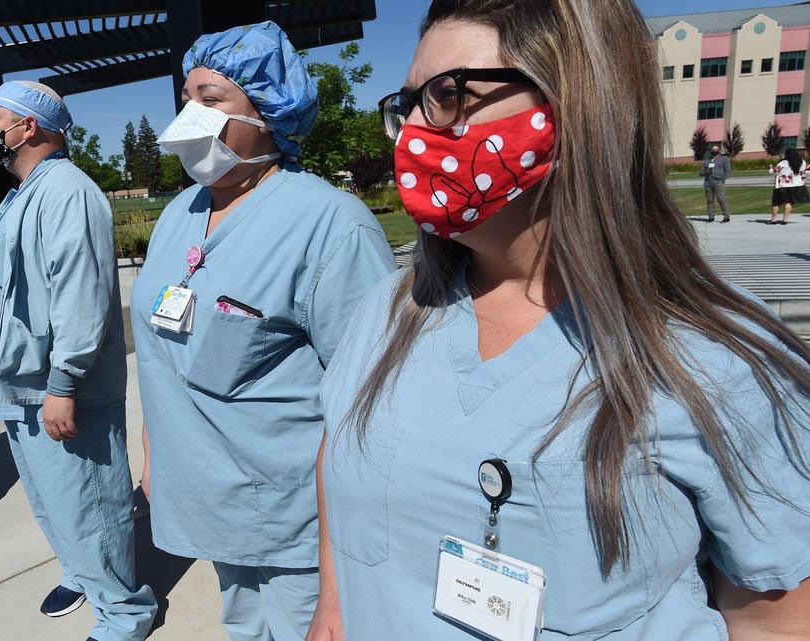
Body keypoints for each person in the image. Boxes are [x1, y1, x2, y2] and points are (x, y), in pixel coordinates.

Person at [312, 2, 810, 640]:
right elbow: (339, 446)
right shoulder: (388, 310)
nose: (412, 129)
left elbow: (779, 622)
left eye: (444, 94)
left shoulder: (717, 358)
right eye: (406, 102)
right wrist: (333, 601)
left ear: (573, 100)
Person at [130, 21, 397, 641]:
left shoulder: (330, 224)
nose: (189, 115)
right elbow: (160, 351)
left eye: (211, 99)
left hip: (294, 519)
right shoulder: (180, 213)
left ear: (271, 111)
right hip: (209, 501)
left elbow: (373, 393)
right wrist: (156, 454)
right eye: (185, 98)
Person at [0, 80, 157, 641]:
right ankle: (82, 571)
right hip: (24, 383)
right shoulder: (23, 191)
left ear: (31, 127)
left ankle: (123, 611)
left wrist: (64, 381)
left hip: (60, 385)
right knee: (54, 500)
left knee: (91, 501)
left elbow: (82, 295)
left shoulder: (67, 190)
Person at [768, 146, 808, 225]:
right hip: (795, 186)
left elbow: (775, 172)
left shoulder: (783, 163)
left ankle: (774, 219)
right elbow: (805, 171)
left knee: (776, 203)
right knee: (789, 202)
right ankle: (785, 220)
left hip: (781, 186)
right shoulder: (802, 162)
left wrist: (771, 168)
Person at [702, 143, 731, 222]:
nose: (714, 151)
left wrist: (722, 179)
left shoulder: (724, 159)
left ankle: (726, 216)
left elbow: (728, 171)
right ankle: (711, 217)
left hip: (718, 182)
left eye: (716, 150)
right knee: (710, 200)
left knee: (722, 199)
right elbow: (701, 173)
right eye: (713, 150)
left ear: (718, 151)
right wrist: (706, 172)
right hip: (708, 183)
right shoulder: (706, 161)